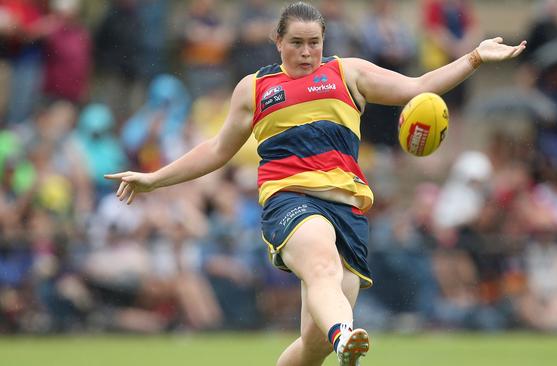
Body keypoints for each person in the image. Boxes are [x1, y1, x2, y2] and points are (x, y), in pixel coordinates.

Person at [105, 2, 525, 365]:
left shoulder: (349, 74)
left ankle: (334, 339)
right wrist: (154, 180)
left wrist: (474, 57)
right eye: (296, 43)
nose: (306, 52)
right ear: (277, 41)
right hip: (290, 201)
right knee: (324, 272)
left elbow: (418, 87)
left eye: (314, 43)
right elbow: (217, 150)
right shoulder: (254, 89)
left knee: (312, 346)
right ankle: (346, 336)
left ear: (325, 41)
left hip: (348, 211)